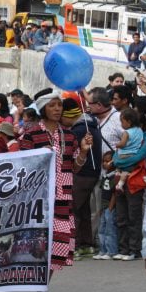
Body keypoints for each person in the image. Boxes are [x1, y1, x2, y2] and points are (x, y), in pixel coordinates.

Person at [20, 91, 93, 292]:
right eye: (52, 105)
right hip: (38, 198)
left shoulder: (69, 136)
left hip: (62, 198)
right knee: (38, 246)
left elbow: (76, 167)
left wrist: (83, 151)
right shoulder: (30, 135)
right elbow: (21, 166)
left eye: (59, 105)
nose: (57, 109)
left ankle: (41, 291)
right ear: (43, 109)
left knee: (56, 246)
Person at [61, 97, 102, 259]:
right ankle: (87, 244)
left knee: (73, 209)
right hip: (93, 173)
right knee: (84, 209)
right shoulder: (91, 125)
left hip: (81, 173)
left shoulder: (77, 131)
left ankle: (75, 246)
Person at [94, 151, 118, 260]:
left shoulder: (114, 176)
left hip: (110, 207)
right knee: (101, 229)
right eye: (103, 161)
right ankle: (102, 250)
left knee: (110, 229)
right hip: (104, 207)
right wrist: (101, 208)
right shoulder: (105, 176)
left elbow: (114, 193)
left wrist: (110, 207)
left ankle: (111, 251)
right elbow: (102, 192)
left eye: (107, 161)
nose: (105, 163)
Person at [114, 108, 143, 193]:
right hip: (133, 155)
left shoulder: (126, 132)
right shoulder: (139, 130)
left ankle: (120, 184)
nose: (121, 124)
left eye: (122, 122)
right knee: (126, 170)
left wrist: (117, 144)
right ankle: (119, 176)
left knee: (125, 170)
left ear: (129, 122)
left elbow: (122, 144)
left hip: (123, 155)